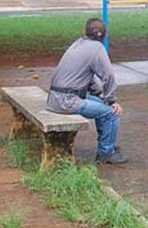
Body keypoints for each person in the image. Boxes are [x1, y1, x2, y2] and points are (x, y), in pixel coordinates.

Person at [47, 18, 127, 164]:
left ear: (86, 32)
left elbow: (86, 77)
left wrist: (100, 95)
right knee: (111, 113)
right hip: (67, 101)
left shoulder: (79, 43)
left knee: (103, 105)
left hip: (56, 98)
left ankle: (106, 144)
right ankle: (106, 153)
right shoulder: (97, 48)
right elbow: (108, 76)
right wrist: (112, 100)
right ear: (104, 35)